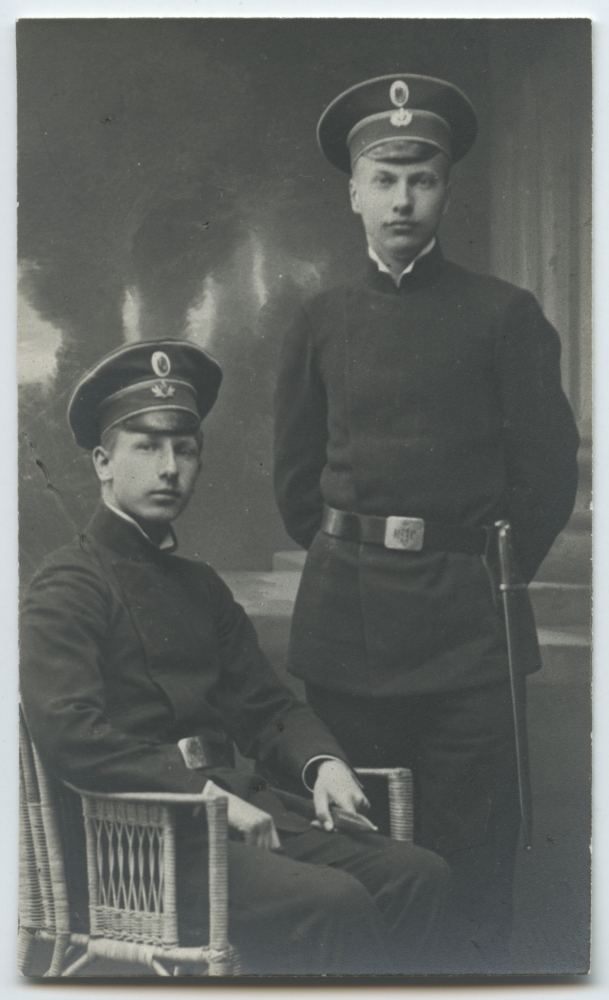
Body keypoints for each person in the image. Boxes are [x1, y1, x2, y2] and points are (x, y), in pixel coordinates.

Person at [273, 74, 580, 971]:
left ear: (446, 189)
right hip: (349, 632)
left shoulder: (504, 315)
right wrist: (357, 557)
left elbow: (545, 478)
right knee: (355, 853)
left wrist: (476, 570)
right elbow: (295, 486)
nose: (402, 199)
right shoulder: (319, 320)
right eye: (384, 179)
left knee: (472, 858)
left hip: (466, 639)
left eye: (422, 179)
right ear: (354, 193)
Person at [20, 339, 450, 976]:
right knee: (333, 901)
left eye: (185, 449)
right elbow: (71, 734)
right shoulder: (68, 585)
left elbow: (268, 707)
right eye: (147, 446)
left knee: (417, 874)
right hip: (138, 845)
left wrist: (324, 764)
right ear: (103, 463)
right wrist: (204, 797)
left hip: (237, 818)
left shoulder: (200, 588)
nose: (170, 468)